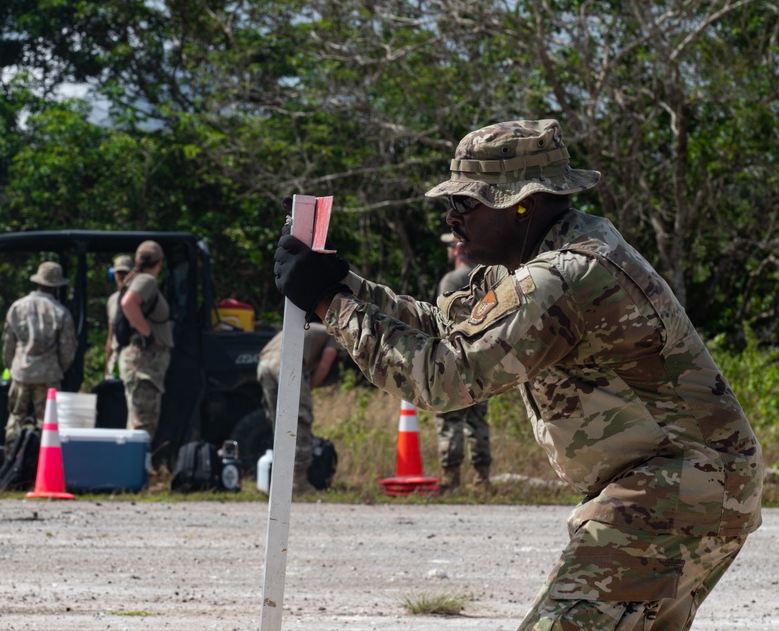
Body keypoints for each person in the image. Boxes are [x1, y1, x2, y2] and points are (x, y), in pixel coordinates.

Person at [273, 119, 763, 630]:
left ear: (521, 202)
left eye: (466, 204)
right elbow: (446, 329)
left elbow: (445, 376)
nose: (452, 218)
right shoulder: (538, 261)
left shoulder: (563, 276)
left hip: (681, 487)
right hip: (688, 485)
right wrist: (340, 284)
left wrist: (331, 304)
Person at [434, 233, 492, 492]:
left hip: (455, 357)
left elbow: (442, 320)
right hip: (484, 358)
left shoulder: (452, 279)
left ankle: (451, 479)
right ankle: (482, 479)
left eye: (449, 246)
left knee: (450, 419)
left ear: (457, 250)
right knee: (477, 420)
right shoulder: (488, 277)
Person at [1, 261, 78, 453]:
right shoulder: (61, 312)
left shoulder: (17, 307)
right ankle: (42, 462)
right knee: (47, 422)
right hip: (48, 375)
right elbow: (68, 350)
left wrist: (12, 366)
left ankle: (10, 458)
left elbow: (8, 345)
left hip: (21, 372)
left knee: (16, 417)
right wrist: (58, 368)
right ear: (57, 286)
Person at [256, 323, 341, 494]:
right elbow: (325, 365)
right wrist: (308, 388)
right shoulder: (334, 334)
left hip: (264, 364)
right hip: (286, 364)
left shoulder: (305, 326)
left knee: (279, 424)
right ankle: (298, 483)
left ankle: (278, 483)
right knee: (298, 421)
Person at [118, 240, 173, 439]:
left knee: (139, 420)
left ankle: (136, 466)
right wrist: (147, 333)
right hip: (145, 362)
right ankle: (137, 468)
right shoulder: (146, 281)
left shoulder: (138, 279)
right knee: (143, 423)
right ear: (159, 262)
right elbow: (128, 303)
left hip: (144, 362)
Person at [105, 254, 135, 379]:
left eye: (126, 273)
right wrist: (107, 367)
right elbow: (110, 336)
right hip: (117, 357)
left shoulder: (139, 297)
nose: (122, 276)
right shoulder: (112, 300)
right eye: (119, 273)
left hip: (134, 356)